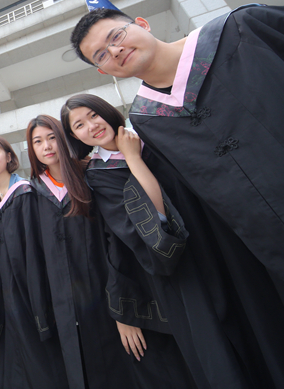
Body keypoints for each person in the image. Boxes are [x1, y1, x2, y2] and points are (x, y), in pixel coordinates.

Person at [70, 5, 284, 387]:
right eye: (101, 54)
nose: (114, 51)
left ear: (142, 23)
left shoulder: (244, 30)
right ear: (104, 71)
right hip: (278, 255)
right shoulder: (149, 121)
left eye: (116, 36)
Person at [60, 97, 201, 388]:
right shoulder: (98, 175)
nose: (92, 126)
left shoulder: (150, 139)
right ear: (75, 136)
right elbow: (149, 228)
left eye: (94, 115)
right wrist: (133, 158)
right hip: (171, 277)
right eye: (80, 125)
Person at [26, 114, 141, 389]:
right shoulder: (31, 193)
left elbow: (116, 243)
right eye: (38, 141)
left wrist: (123, 310)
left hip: (106, 300)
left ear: (64, 138)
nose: (46, 146)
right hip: (64, 309)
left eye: (52, 137)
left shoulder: (91, 175)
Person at [0, 136, 67, 389]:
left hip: (27, 282)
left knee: (35, 349)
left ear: (9, 156)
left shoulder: (26, 191)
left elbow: (36, 245)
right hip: (1, 286)